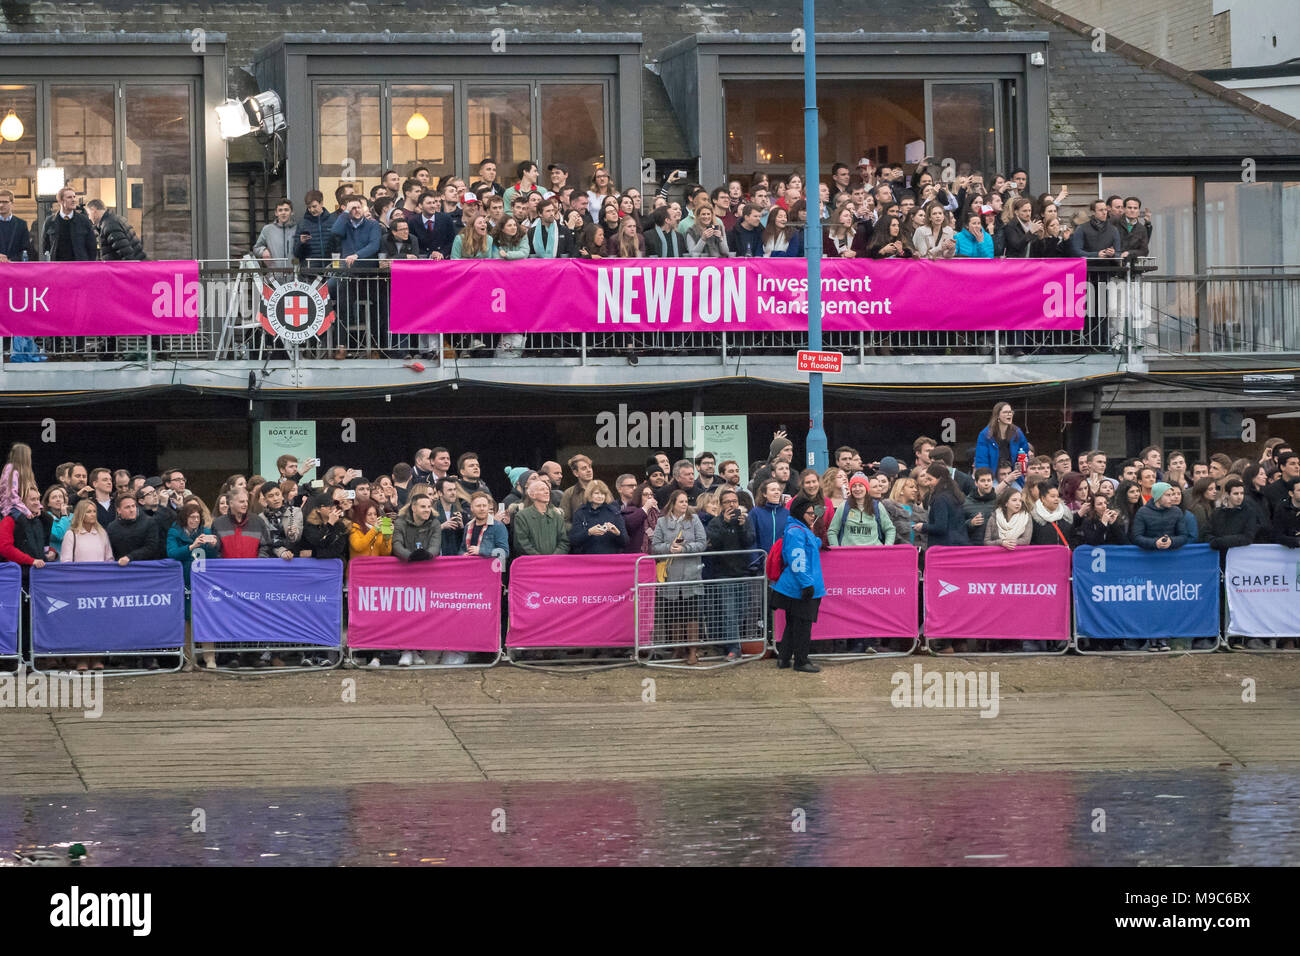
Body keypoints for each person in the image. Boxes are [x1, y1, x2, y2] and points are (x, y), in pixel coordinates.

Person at [650, 489, 708, 665]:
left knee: (692, 616)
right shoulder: (661, 522)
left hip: (691, 574)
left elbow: (702, 543)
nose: (685, 505)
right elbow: (655, 546)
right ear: (673, 503)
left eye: (686, 502)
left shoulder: (694, 519)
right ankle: (677, 648)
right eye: (681, 502)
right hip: (671, 576)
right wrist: (669, 547)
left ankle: (692, 650)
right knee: (674, 615)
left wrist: (685, 549)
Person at [770, 497, 825, 673]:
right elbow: (797, 559)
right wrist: (807, 584)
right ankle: (801, 661)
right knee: (802, 625)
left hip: (794, 587)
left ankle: (784, 658)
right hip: (800, 587)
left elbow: (807, 547)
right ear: (801, 513)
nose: (812, 516)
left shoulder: (798, 529)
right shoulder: (796, 531)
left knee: (793, 623)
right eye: (809, 513)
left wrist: (819, 542)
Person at [704, 487, 758, 659]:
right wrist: (726, 524)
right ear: (721, 505)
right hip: (723, 574)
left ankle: (729, 643)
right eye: (727, 502)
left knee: (742, 610)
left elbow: (749, 541)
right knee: (729, 612)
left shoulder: (745, 520)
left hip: (742, 572)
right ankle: (734, 648)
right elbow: (715, 543)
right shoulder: (715, 522)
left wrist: (741, 527)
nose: (731, 505)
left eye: (734, 501)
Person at [166, 502, 221, 668]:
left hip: (203, 582)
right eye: (192, 517)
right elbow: (172, 553)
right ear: (185, 518)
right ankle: (190, 660)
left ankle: (210, 658)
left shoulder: (205, 531)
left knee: (205, 618)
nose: (195, 520)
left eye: (198, 517)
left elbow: (213, 554)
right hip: (183, 581)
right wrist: (191, 546)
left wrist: (213, 544)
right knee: (186, 621)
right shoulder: (174, 533)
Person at [913, 463, 966, 548]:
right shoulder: (953, 494)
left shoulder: (940, 499)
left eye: (930, 479)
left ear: (940, 479)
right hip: (956, 543)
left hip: (943, 546)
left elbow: (940, 527)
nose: (928, 483)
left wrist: (923, 527)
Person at [974, 401, 1031, 479]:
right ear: (997, 415)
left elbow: (1024, 453)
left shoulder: (1017, 432)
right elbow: (981, 460)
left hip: (1014, 476)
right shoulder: (985, 435)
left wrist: (1020, 472)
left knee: (1019, 490)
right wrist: (986, 477)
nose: (1009, 414)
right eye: (1005, 412)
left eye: (1010, 412)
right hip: (992, 477)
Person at [514, 477, 570, 556]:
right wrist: (540, 559)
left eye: (547, 489)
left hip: (554, 563)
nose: (546, 492)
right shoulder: (522, 516)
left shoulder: (557, 516)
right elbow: (522, 543)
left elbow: (564, 542)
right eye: (542, 489)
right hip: (532, 564)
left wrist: (553, 558)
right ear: (532, 495)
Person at [568, 481, 628, 555]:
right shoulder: (581, 513)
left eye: (603, 494)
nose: (600, 496)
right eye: (597, 493)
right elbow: (573, 540)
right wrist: (589, 532)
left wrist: (618, 533)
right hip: (587, 559)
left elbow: (625, 541)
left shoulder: (614, 512)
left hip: (609, 558)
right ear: (589, 494)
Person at [42, 186, 96, 261]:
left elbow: (92, 247)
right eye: (69, 197)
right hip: (57, 267)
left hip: (79, 267)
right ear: (60, 201)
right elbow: (45, 247)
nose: (73, 200)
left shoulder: (84, 221)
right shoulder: (50, 221)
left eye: (74, 197)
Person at [1206, 477, 1260, 551]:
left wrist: (1221, 541)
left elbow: (1248, 537)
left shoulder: (1249, 512)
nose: (1239, 497)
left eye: (1242, 493)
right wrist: (1214, 541)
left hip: (1239, 556)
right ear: (1227, 494)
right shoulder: (1217, 513)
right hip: (1218, 555)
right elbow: (1207, 533)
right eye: (1235, 494)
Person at [460, 491, 509, 564]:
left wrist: (480, 551)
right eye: (478, 506)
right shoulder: (468, 526)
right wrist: (463, 554)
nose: (482, 509)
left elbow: (504, 552)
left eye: (484, 505)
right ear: (472, 508)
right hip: (470, 568)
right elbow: (462, 548)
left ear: (488, 507)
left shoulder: (498, 526)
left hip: (490, 570)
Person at [251, 198, 297, 267]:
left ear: (292, 212)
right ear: (276, 213)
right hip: (274, 274)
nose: (283, 213)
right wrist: (263, 251)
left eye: (286, 210)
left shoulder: (298, 229)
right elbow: (256, 248)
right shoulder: (268, 230)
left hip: (295, 274)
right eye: (280, 210)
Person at [984, 485, 1032, 550]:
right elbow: (986, 542)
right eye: (1014, 500)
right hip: (998, 556)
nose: (1018, 503)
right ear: (1006, 503)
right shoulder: (994, 517)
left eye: (1020, 501)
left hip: (1018, 556)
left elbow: (1026, 540)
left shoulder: (1026, 517)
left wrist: (1009, 543)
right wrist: (1001, 542)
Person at [751, 478, 790, 557]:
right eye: (772, 490)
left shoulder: (786, 513)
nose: (777, 492)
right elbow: (751, 539)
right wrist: (755, 562)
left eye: (778, 490)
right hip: (762, 561)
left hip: (781, 561)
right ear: (764, 494)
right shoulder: (755, 513)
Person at [1029, 481, 1073, 547]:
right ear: (1043, 499)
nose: (1056, 499)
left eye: (1058, 496)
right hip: (1043, 555)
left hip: (1063, 555)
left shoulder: (1066, 516)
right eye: (1053, 496)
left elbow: (1072, 537)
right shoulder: (1034, 518)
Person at [0, 188, 32, 262]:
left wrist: (10, 260)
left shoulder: (21, 224)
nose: (1, 205)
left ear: (12, 204)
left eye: (5, 202)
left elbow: (26, 250)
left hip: (14, 267)